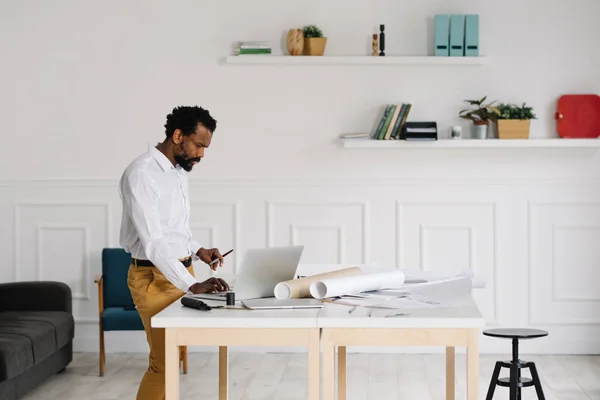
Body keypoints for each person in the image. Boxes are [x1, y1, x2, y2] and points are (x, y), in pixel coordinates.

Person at [118, 105, 230, 400]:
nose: (202, 154)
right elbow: (153, 242)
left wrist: (197, 251)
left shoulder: (178, 173)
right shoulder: (141, 174)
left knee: (174, 355)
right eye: (199, 145)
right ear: (178, 135)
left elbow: (173, 231)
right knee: (163, 364)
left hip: (179, 272)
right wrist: (191, 284)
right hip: (153, 277)